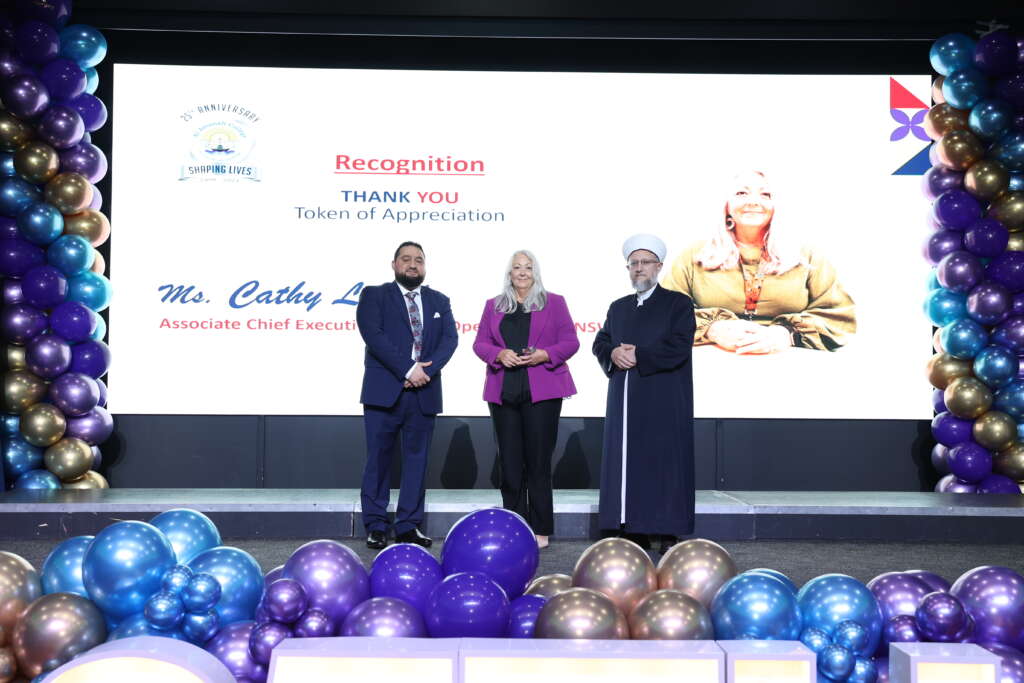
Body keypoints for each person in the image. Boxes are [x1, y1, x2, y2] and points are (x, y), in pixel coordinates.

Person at [662, 170, 855, 353]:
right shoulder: (695, 255)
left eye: (766, 194)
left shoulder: (808, 257)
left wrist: (786, 334)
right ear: (726, 205)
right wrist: (712, 330)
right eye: (741, 193)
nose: (753, 202)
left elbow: (840, 317)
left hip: (789, 361)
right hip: (710, 361)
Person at [593, 234, 696, 554]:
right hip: (625, 401)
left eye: (645, 262)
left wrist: (640, 355)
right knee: (629, 463)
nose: (639, 268)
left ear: (659, 266)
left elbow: (679, 345)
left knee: (663, 462)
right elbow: (601, 341)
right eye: (633, 263)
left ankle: (665, 529)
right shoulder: (619, 307)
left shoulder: (678, 304)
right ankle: (631, 526)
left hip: (663, 398)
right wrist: (613, 353)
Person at [472, 250, 580, 549]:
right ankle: (515, 527)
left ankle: (541, 529)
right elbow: (480, 343)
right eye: (517, 267)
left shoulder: (554, 302)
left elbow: (571, 342)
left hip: (542, 392)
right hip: (503, 391)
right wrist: (499, 354)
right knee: (509, 464)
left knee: (538, 463)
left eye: (528, 267)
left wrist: (545, 354)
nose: (522, 272)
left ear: (536, 272)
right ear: (509, 273)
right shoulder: (493, 305)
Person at [356, 241, 458, 549]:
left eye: (419, 260)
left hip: (424, 391)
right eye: (406, 259)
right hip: (384, 390)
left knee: (417, 461)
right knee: (378, 460)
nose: (413, 264)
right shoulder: (374, 295)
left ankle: (408, 525)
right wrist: (408, 369)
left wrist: (425, 371)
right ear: (394, 264)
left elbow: (450, 340)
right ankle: (376, 525)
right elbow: (373, 335)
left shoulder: (439, 300)